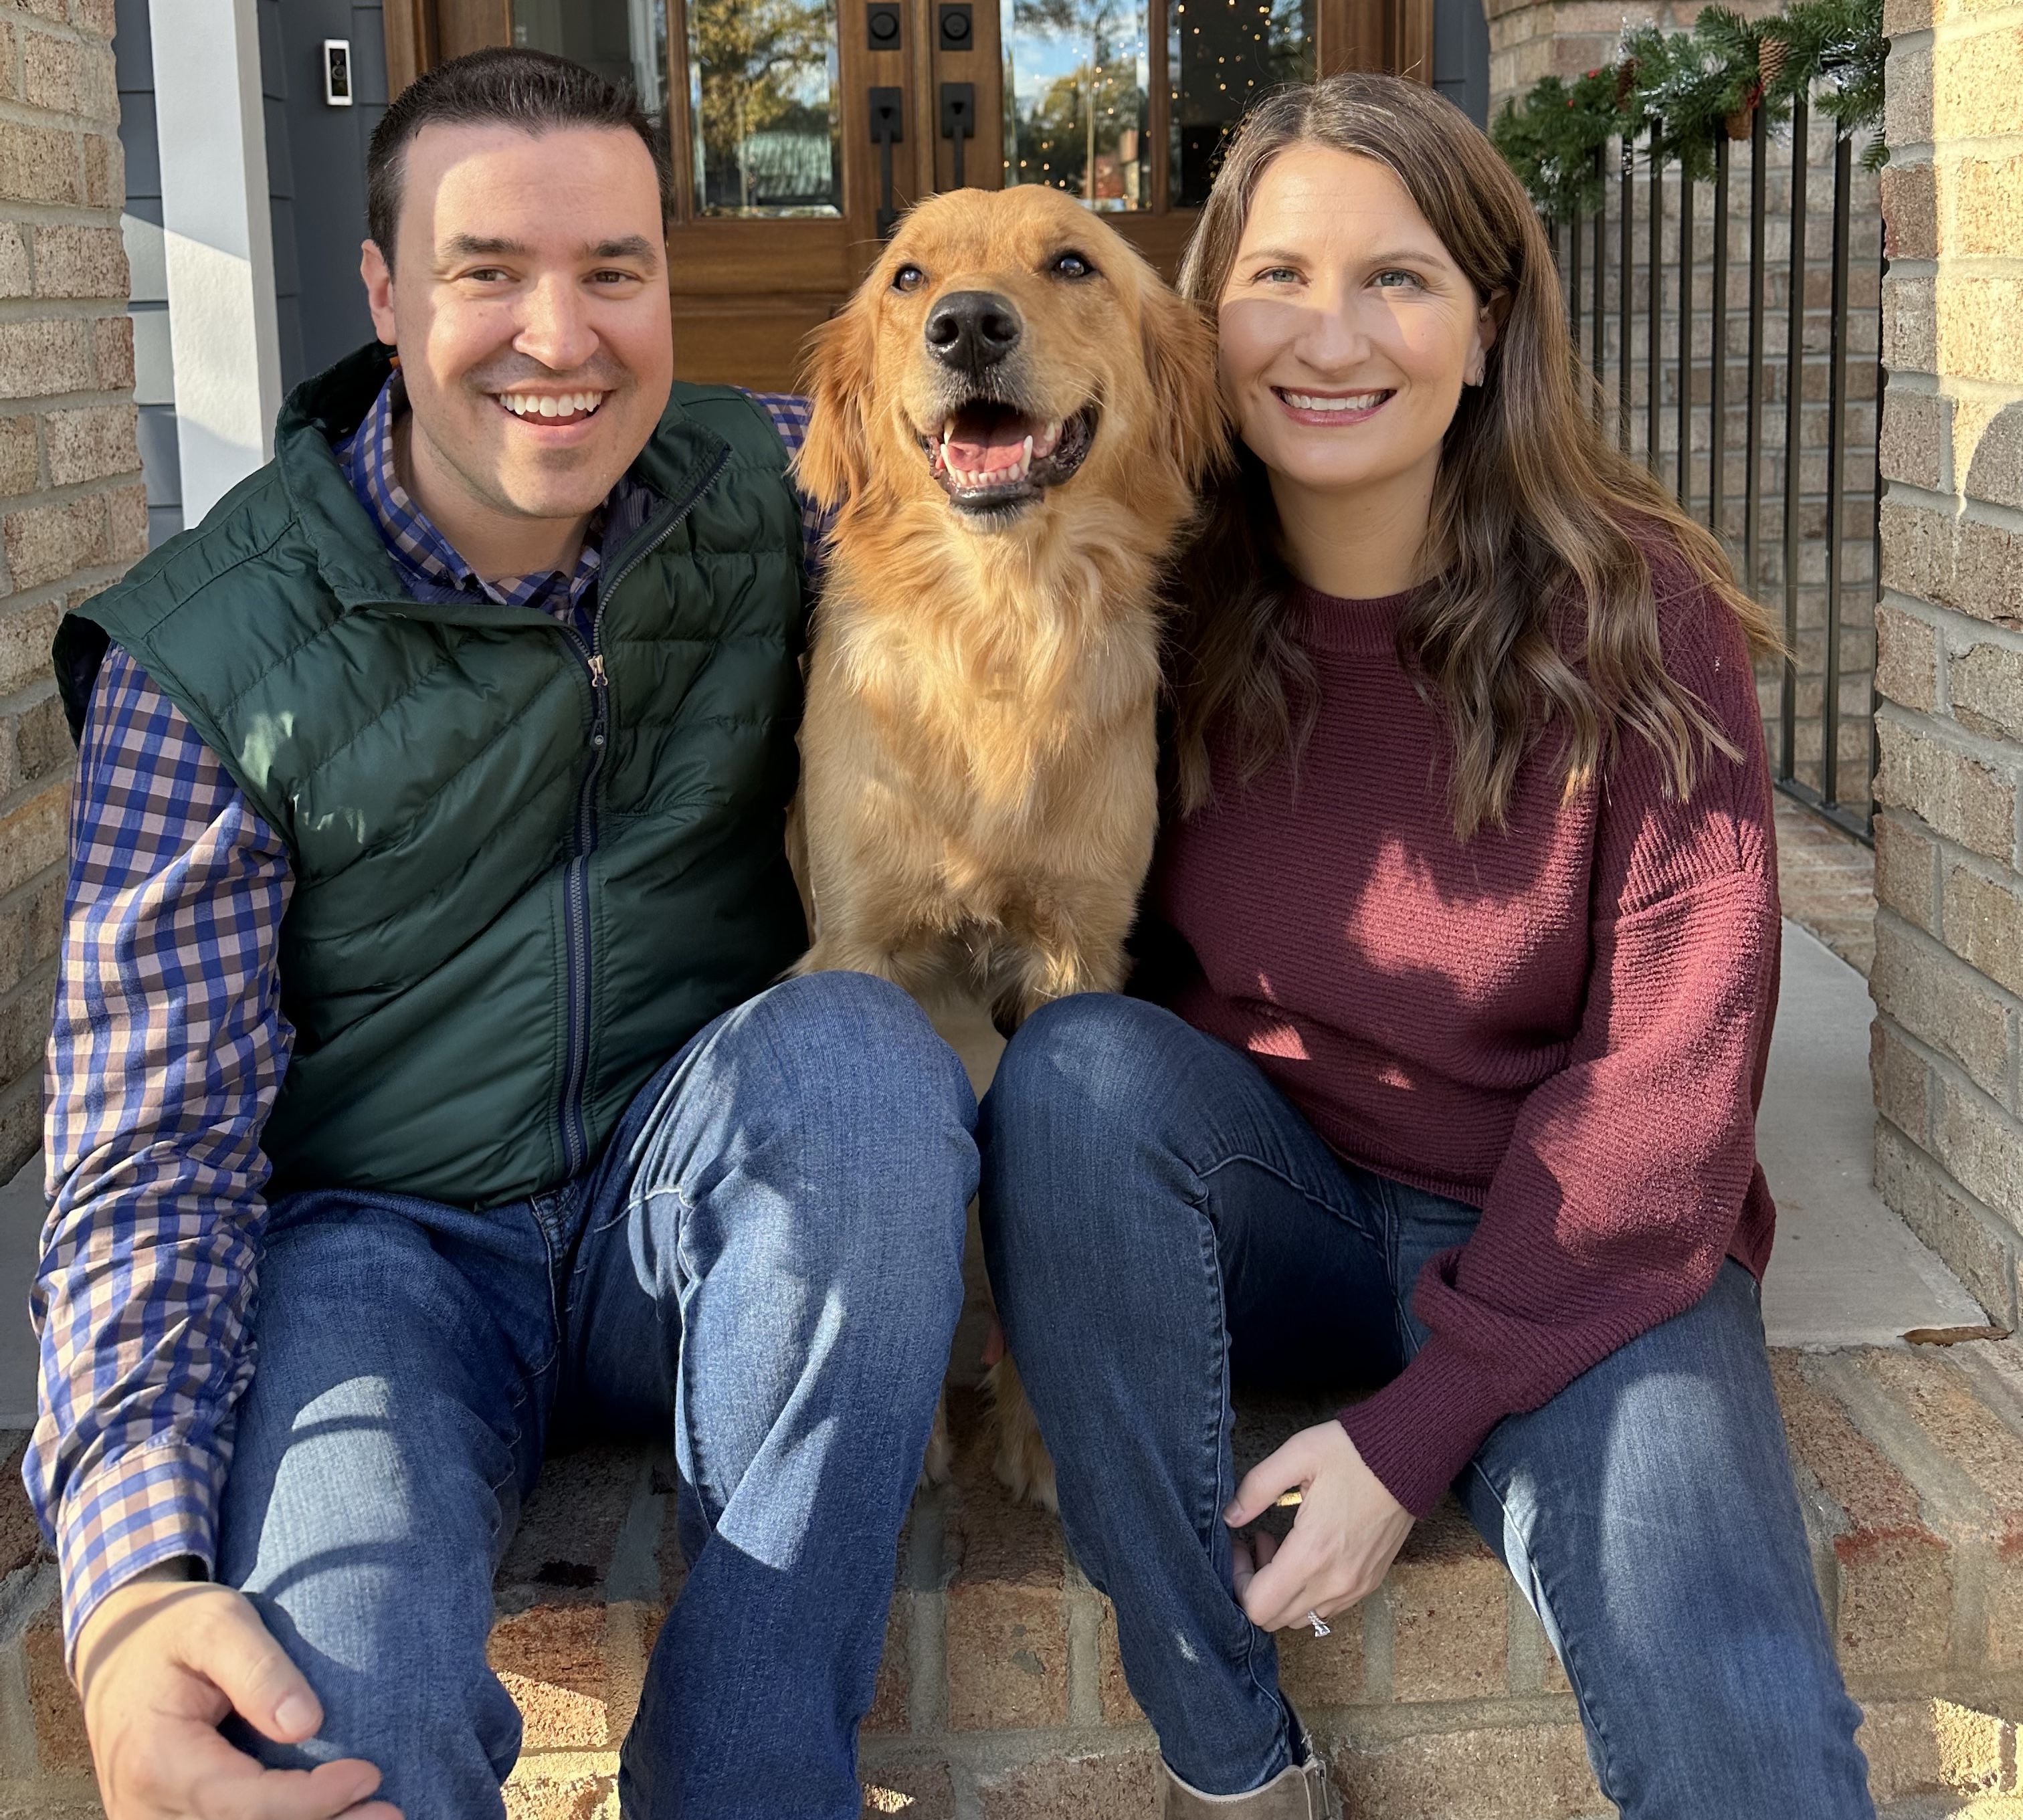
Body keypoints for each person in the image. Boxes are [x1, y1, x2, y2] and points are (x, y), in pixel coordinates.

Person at [29, 47, 975, 1820]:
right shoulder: (210, 661)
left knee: (861, 1057)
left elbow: (1088, 506)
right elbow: (142, 1164)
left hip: (681, 1195)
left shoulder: (775, 487)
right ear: (382, 290)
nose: (564, 335)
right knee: (330, 1741)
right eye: (488, 272)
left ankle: (751, 1778)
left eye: (616, 269)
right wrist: (130, 1586)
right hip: (377, 1254)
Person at [980, 72, 1873, 1820]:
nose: (1330, 335)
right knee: (1076, 1074)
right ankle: (1235, 1767)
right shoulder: (1162, 594)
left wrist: (1422, 1425)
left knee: (1749, 1745)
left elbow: (1676, 1076)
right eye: (1279, 278)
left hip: (1577, 1235)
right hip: (1275, 1197)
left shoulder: (1634, 611)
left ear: (1487, 327)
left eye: (1396, 278)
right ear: (1207, 320)